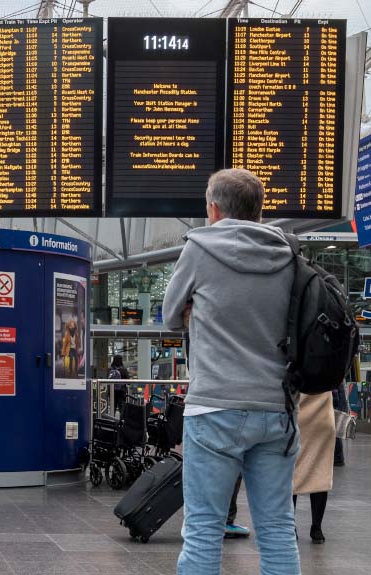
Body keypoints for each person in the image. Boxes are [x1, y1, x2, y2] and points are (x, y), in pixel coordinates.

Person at [162, 168, 300, 575]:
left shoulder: (200, 248)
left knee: (203, 528)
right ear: (258, 210)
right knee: (277, 528)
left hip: (214, 408)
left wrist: (196, 313)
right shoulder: (288, 252)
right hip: (276, 408)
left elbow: (171, 315)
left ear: (215, 208)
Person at [292, 392, 336, 544]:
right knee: (320, 471)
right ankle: (317, 528)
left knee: (293, 472)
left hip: (297, 415)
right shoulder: (328, 367)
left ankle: (290, 526)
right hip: (322, 417)